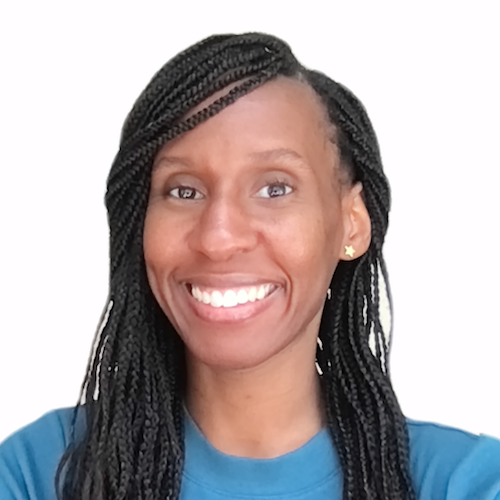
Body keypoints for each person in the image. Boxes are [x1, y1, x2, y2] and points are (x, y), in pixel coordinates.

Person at [0, 32, 499, 500]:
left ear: (351, 224)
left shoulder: (462, 482)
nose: (219, 238)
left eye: (275, 188)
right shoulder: (40, 473)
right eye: (183, 190)